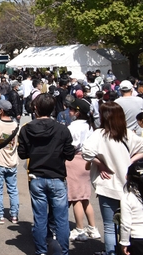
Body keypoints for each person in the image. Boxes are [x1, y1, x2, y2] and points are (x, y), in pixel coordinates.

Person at [17, 93, 75, 255]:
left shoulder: (27, 129)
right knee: (61, 219)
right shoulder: (62, 129)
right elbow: (69, 154)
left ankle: (41, 251)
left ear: (35, 108)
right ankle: (63, 251)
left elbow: (22, 153)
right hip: (57, 176)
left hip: (36, 177)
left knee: (40, 218)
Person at [83, 102, 143, 255]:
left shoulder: (99, 135)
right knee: (127, 224)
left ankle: (111, 252)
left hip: (108, 184)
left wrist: (101, 164)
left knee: (109, 226)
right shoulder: (129, 134)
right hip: (128, 186)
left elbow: (86, 153)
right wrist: (130, 161)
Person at [66, 97, 100, 242]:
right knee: (84, 196)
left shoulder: (73, 127)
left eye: (72, 109)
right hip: (87, 161)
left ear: (77, 113)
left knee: (76, 198)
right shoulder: (89, 125)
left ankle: (79, 228)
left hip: (75, 160)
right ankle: (92, 227)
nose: (69, 111)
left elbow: (70, 145)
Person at [120, 159, 143, 255]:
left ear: (128, 177)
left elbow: (125, 224)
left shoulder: (128, 197)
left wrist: (124, 242)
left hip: (137, 238)